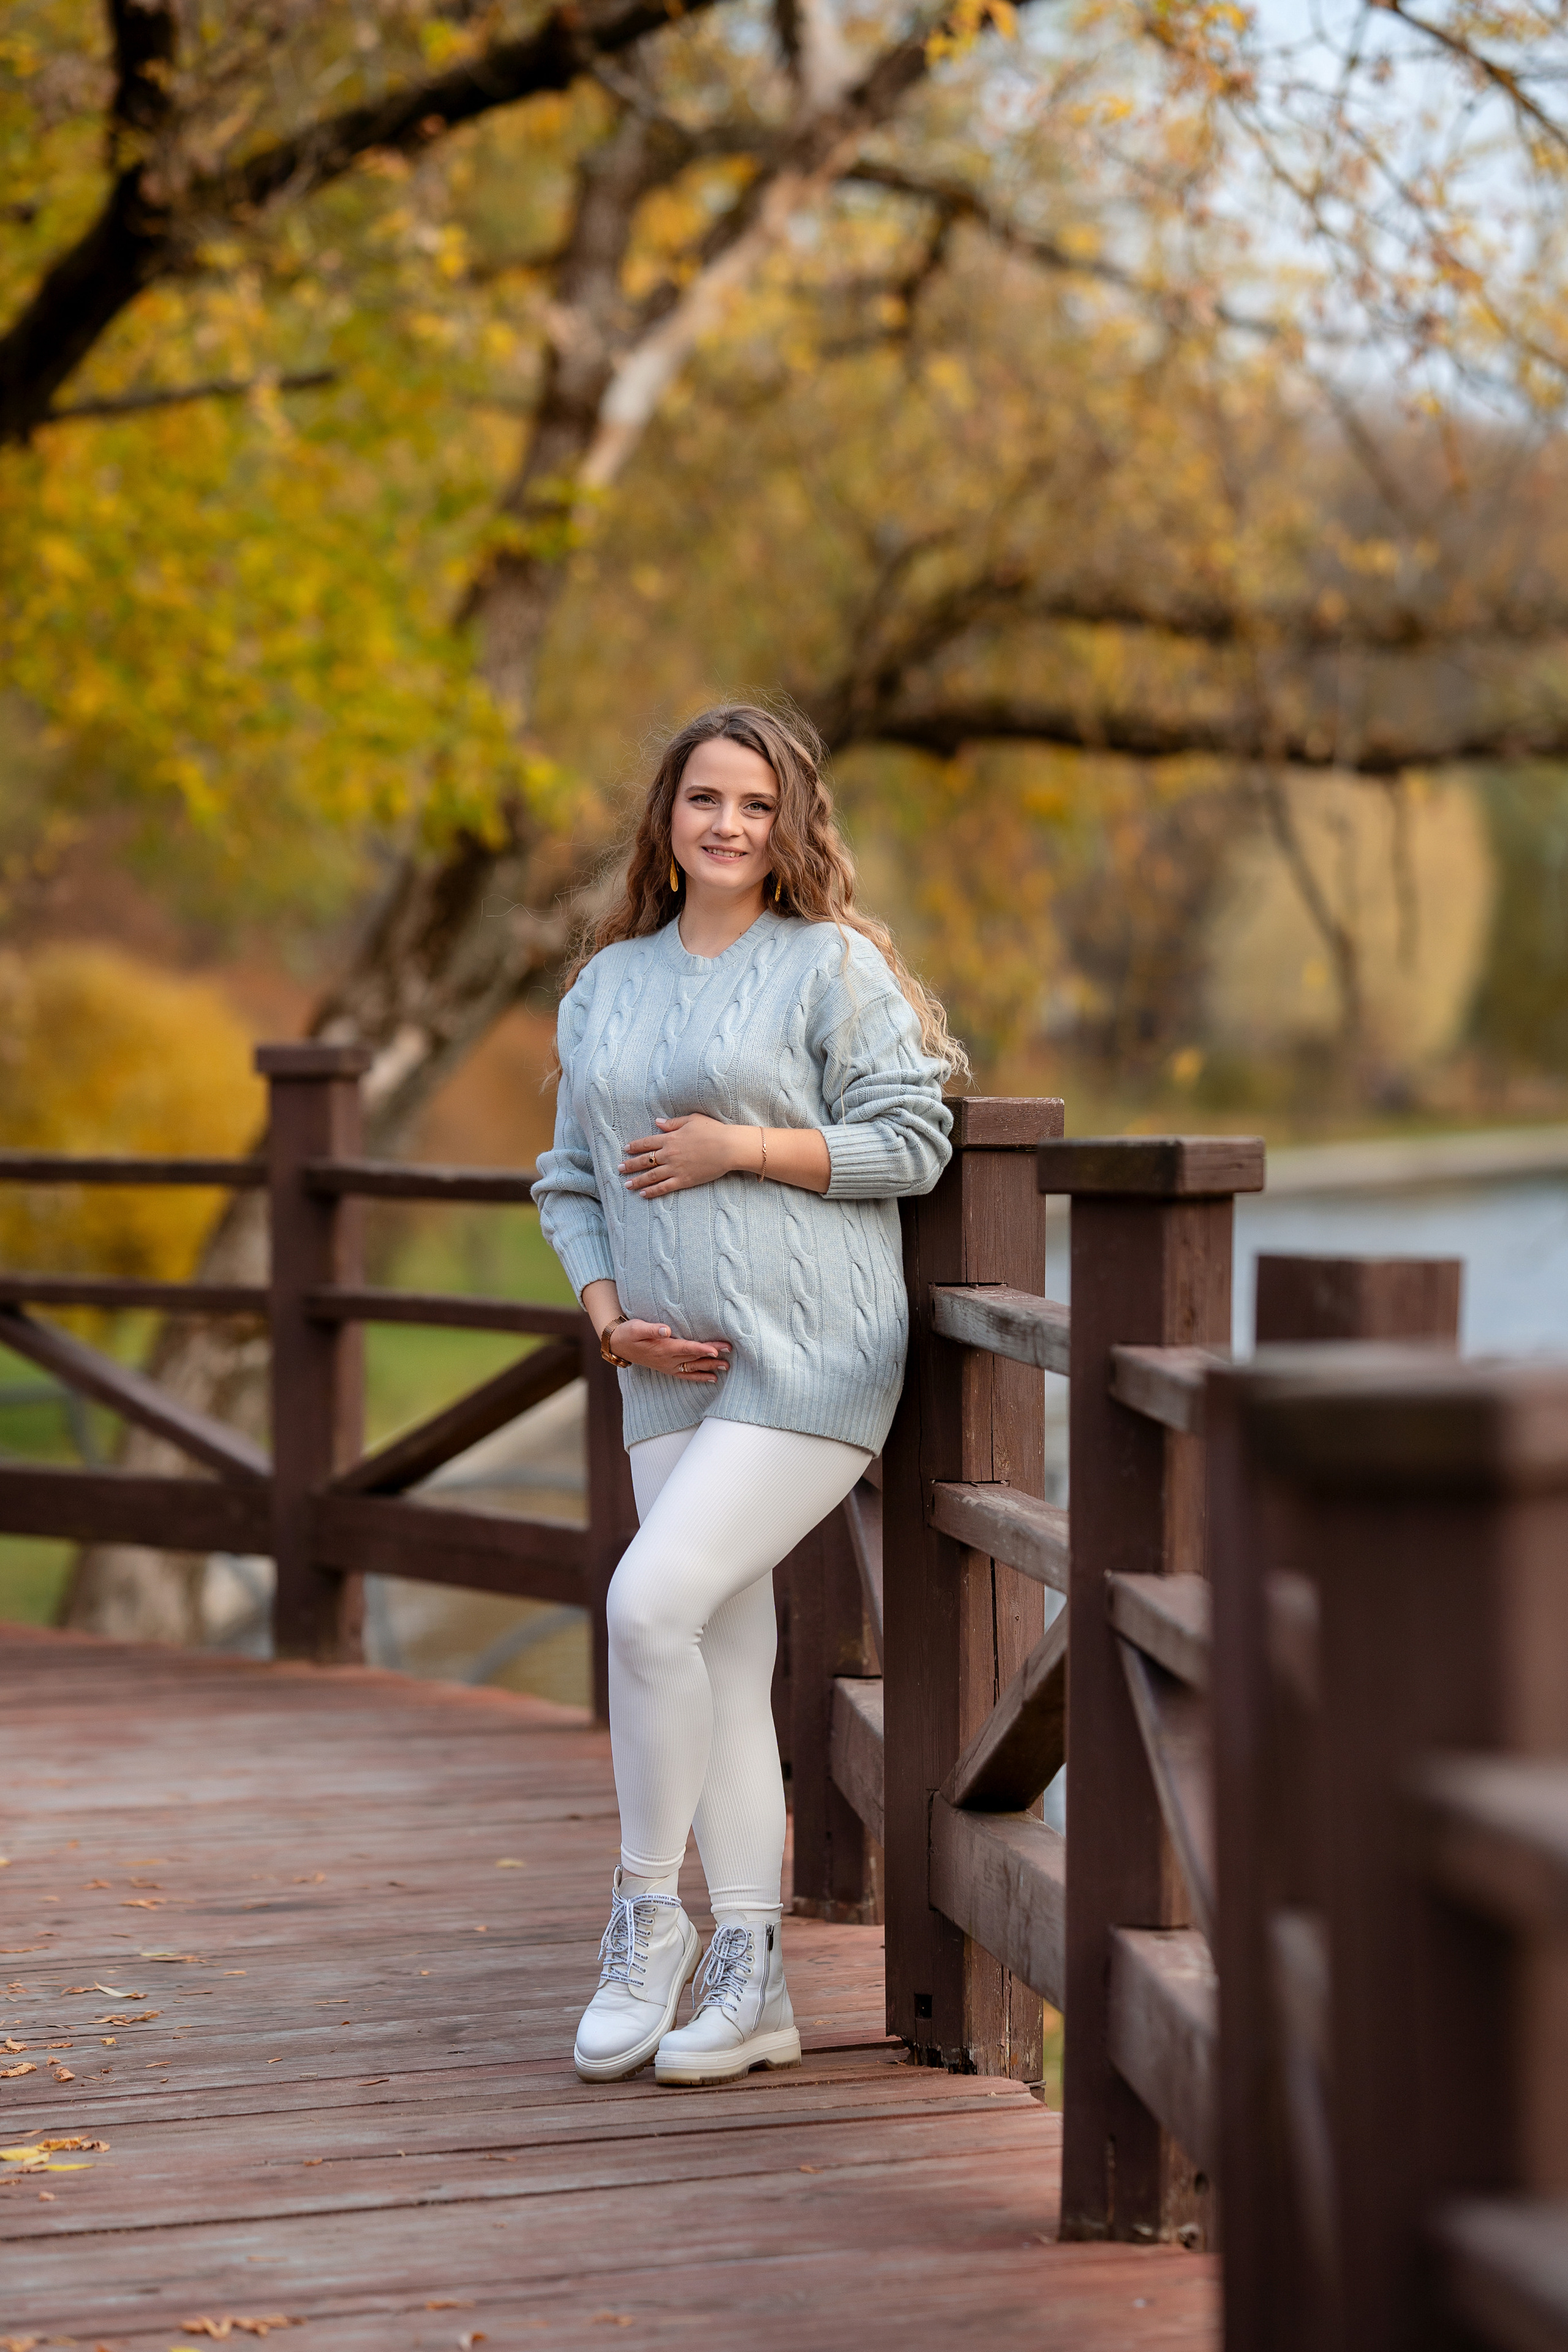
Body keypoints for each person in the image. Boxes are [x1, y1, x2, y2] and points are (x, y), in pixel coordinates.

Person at [531, 703, 964, 2087]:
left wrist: (742, 1147)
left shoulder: (827, 966)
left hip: (810, 1352)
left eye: (756, 806)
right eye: (704, 799)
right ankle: (753, 1975)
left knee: (647, 1603)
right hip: (667, 1372)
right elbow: (569, 1180)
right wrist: (610, 1326)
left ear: (790, 830)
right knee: (714, 1650)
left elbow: (912, 1138)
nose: (726, 825)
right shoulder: (602, 986)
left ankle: (647, 1922)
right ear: (666, 816)